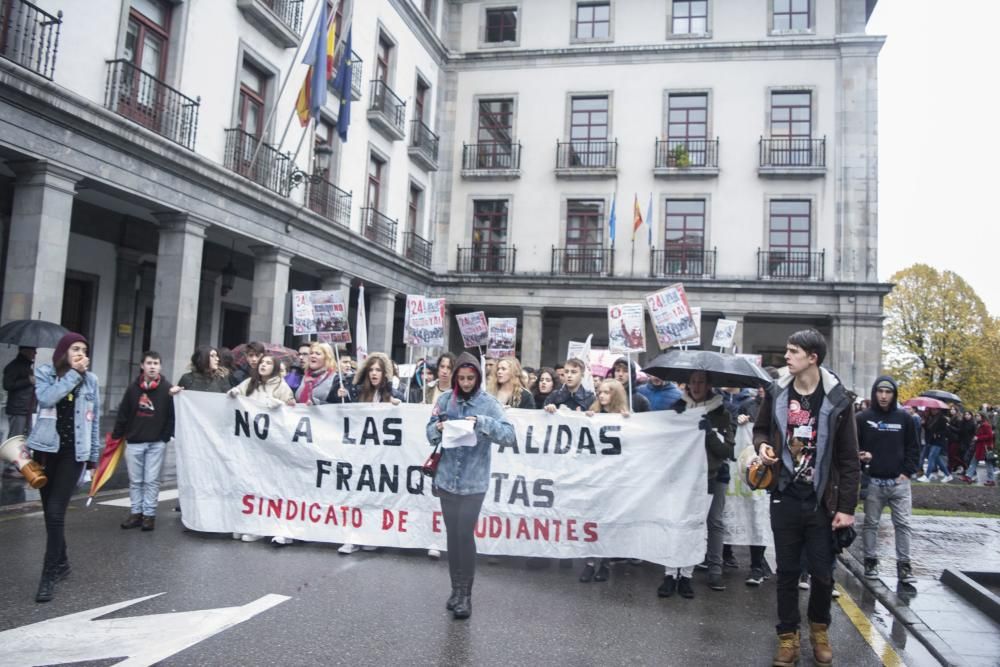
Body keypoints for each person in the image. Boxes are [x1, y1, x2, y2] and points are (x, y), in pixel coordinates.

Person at [754, 329, 859, 667]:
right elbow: (760, 429)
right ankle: (787, 638)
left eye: (793, 351)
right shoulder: (777, 391)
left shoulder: (838, 400)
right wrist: (762, 446)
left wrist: (846, 509)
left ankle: (819, 631)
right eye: (786, 350)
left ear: (813, 357)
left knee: (822, 574)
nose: (786, 357)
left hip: (822, 503)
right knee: (786, 573)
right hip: (784, 496)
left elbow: (849, 459)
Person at [426, 352, 516, 620]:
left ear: (478, 377)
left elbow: (509, 435)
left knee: (465, 535)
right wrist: (438, 428)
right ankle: (455, 590)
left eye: (470, 378)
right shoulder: (444, 400)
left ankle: (466, 595)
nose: (465, 383)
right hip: (446, 480)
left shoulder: (488, 403)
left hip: (474, 482)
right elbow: (429, 432)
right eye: (461, 378)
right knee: (453, 536)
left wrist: (483, 423)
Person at [27, 332, 101, 603]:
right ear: (63, 353)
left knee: (57, 511)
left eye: (83, 349)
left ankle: (48, 575)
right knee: (50, 512)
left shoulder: (91, 380)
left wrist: (93, 460)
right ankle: (62, 561)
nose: (80, 353)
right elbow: (47, 399)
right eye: (74, 349)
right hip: (46, 451)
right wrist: (72, 374)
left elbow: (94, 421)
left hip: (74, 454)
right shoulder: (47, 373)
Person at [659, 371, 734, 598]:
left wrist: (709, 433)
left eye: (701, 381)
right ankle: (670, 574)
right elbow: (664, 439)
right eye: (693, 381)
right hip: (680, 476)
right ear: (687, 384)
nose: (697, 385)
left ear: (709, 384)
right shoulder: (677, 407)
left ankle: (688, 576)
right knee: (674, 523)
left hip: (709, 477)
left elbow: (727, 450)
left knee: (697, 526)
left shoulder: (721, 412)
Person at [332, 352, 402, 554]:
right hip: (359, 454)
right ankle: (351, 537)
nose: (374, 373)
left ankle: (372, 535)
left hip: (383, 456)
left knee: (376, 497)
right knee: (355, 495)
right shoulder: (356, 392)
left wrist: (398, 404)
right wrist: (339, 396)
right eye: (371, 369)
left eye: (378, 370)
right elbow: (335, 412)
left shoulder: (393, 394)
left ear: (385, 373)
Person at [855, 376, 919, 583]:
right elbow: (852, 447)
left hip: (899, 483)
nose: (883, 396)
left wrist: (907, 472)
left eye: (888, 392)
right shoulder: (863, 418)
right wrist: (860, 456)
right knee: (871, 524)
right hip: (873, 481)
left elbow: (913, 447)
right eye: (880, 392)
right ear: (874, 393)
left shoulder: (905, 418)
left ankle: (904, 566)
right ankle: (870, 561)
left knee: (903, 525)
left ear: (894, 394)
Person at [228, 354, 295, 544]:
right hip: (249, 445)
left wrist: (281, 405)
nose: (263, 365)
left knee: (266, 487)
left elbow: (292, 412)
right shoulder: (250, 383)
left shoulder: (282, 386)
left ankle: (261, 526)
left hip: (271, 447)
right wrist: (233, 395)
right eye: (262, 362)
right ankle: (246, 523)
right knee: (248, 485)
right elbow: (237, 395)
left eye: (268, 363)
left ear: (274, 368)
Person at [112, 351, 175, 532]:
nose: (152, 366)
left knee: (152, 480)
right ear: (142, 366)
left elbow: (171, 416)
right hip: (134, 442)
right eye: (149, 363)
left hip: (156, 442)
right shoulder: (133, 389)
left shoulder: (166, 389)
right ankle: (135, 513)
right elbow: (123, 413)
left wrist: (165, 436)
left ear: (160, 367)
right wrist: (118, 436)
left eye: (156, 363)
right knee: (136, 480)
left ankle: (149, 515)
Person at [578, 380, 631, 584]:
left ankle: (605, 564)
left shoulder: (625, 417)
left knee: (608, 521)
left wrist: (628, 422)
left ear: (615, 395)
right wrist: (588, 419)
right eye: (599, 392)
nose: (601, 396)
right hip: (594, 476)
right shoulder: (593, 414)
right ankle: (590, 563)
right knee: (591, 519)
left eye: (607, 393)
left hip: (614, 478)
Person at [3, 346, 36, 440]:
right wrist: (28, 380)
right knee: (15, 438)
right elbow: (7, 385)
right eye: (34, 350)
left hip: (26, 408)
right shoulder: (14, 366)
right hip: (18, 409)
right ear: (25, 351)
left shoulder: (26, 366)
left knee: (24, 438)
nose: (35, 353)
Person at [916, 408, 952, 483]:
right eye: (932, 409)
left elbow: (946, 431)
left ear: (938, 410)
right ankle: (948, 475)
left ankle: (927, 476)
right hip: (931, 441)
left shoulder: (942, 419)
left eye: (935, 409)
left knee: (931, 457)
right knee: (937, 459)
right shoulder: (931, 418)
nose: (933, 411)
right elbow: (929, 429)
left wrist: (938, 434)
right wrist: (924, 424)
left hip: (938, 441)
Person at [964, 413, 996, 486]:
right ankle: (968, 476)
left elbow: (990, 436)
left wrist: (978, 438)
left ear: (982, 416)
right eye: (976, 416)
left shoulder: (986, 425)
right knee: (974, 461)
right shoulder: (981, 425)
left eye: (978, 416)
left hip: (985, 448)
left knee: (988, 464)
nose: (976, 417)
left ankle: (991, 480)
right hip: (980, 447)